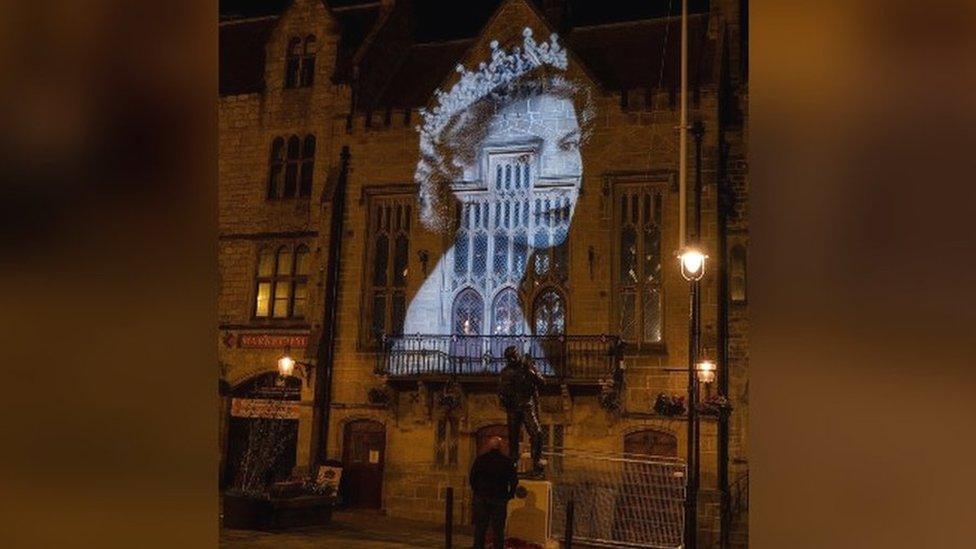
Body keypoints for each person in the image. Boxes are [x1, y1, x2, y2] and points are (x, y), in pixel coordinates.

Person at [498, 345, 546, 476]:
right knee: (513, 437)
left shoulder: (528, 367)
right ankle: (513, 463)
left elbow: (542, 382)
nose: (512, 360)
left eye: (513, 357)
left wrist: (533, 374)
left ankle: (536, 462)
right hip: (513, 408)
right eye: (509, 358)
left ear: (517, 355)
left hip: (526, 405)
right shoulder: (505, 372)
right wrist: (504, 398)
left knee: (537, 433)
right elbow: (501, 391)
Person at [470, 436, 518, 549]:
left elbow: (472, 478)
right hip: (499, 498)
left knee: (480, 528)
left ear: (489, 447)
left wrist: (477, 491)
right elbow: (514, 480)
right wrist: (510, 494)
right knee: (498, 530)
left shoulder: (480, 459)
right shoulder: (506, 461)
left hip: (482, 498)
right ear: (500, 447)